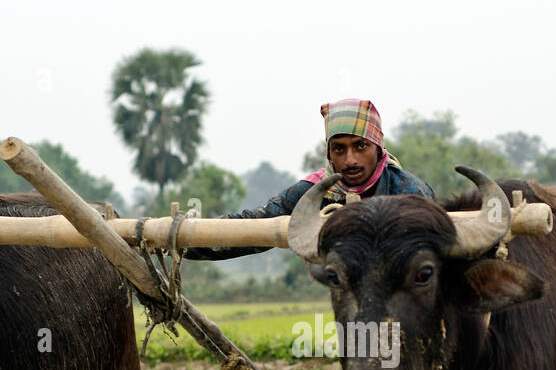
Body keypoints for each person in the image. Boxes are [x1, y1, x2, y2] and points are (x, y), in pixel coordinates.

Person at [184, 98, 434, 261]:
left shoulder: (410, 192)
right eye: (339, 149)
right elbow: (256, 224)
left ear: (378, 149)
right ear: (329, 153)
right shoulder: (315, 192)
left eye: (360, 146)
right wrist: (184, 241)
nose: (350, 160)